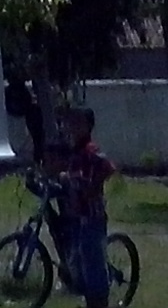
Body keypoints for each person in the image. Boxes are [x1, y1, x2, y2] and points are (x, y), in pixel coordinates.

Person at [57, 107, 113, 305]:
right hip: (77, 213)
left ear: (88, 126)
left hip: (92, 213)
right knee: (79, 257)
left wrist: (92, 187)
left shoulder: (90, 150)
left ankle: (99, 301)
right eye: (72, 123)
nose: (73, 127)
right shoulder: (75, 151)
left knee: (93, 260)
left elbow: (107, 167)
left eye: (78, 123)